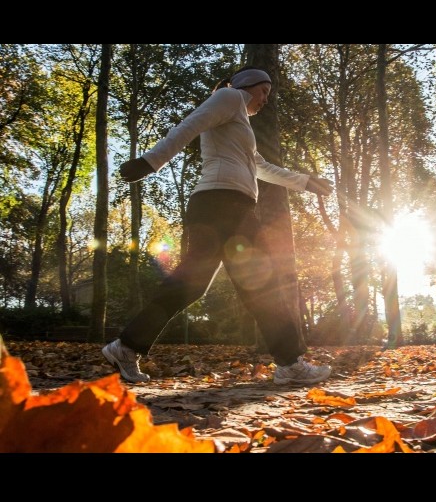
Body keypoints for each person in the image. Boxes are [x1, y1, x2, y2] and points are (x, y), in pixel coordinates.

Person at [102, 66, 333, 385]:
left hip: (218, 206)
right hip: (224, 204)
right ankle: (290, 364)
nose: (266, 98)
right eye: (263, 90)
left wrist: (306, 182)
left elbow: (262, 168)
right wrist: (152, 161)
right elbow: (190, 125)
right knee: (263, 284)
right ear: (246, 85)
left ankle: (125, 348)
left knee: (191, 284)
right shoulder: (229, 97)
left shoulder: (239, 123)